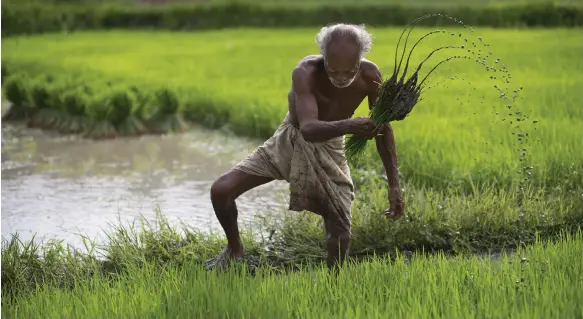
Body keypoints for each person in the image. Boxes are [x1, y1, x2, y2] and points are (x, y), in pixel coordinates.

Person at [206, 23, 405, 270]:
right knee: (221, 191)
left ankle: (335, 284)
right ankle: (235, 250)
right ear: (323, 57)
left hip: (331, 147)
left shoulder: (370, 76)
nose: (341, 79)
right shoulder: (306, 72)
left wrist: (394, 184)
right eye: (334, 71)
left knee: (340, 225)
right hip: (290, 139)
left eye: (349, 71)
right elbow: (309, 129)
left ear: (360, 60)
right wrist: (351, 125)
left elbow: (383, 128)